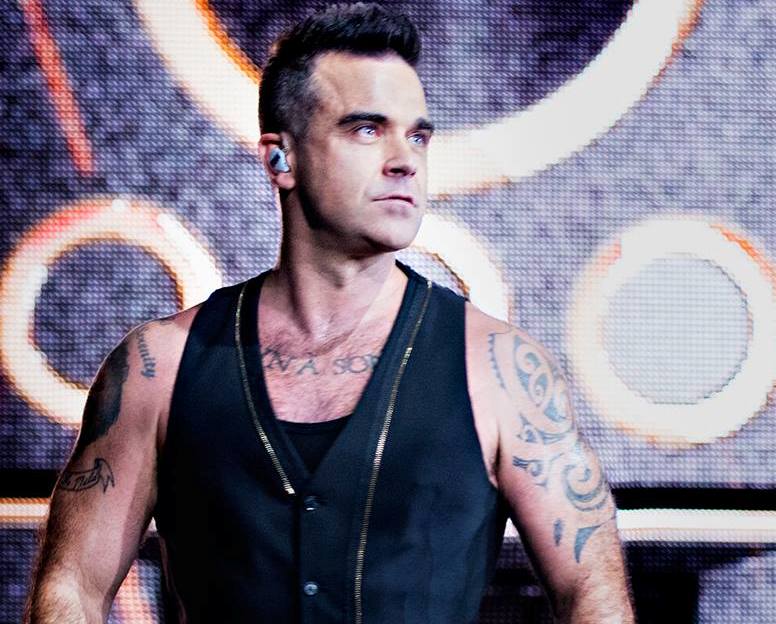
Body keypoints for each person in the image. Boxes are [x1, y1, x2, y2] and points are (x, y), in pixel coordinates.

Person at [26, 4, 635, 623]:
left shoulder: (502, 372)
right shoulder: (160, 367)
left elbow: (591, 592)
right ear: (280, 159)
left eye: (418, 136)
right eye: (366, 130)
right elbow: (73, 585)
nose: (404, 160)